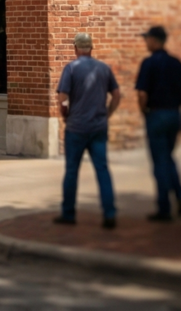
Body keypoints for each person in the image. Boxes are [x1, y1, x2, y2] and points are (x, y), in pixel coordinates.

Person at [56, 31, 121, 229]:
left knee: (72, 171)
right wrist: (107, 114)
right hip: (98, 126)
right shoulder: (103, 68)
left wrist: (65, 114)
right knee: (102, 169)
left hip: (76, 127)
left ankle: (69, 213)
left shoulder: (71, 68)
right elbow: (116, 95)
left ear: (75, 48)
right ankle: (109, 213)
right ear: (92, 48)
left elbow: (62, 98)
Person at [135, 25, 181, 221]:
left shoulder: (148, 63)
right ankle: (180, 195)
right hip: (174, 114)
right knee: (167, 156)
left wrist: (144, 112)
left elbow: (142, 93)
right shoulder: (176, 63)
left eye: (147, 39)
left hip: (156, 114)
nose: (145, 42)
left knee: (159, 162)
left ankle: (164, 207)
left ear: (155, 40)